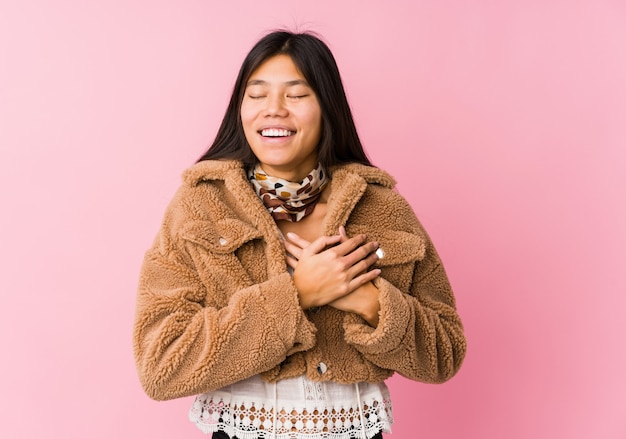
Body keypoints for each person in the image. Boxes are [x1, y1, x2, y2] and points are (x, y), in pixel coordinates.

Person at [133, 30, 466, 439]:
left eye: (296, 94)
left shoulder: (381, 208)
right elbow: (161, 365)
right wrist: (298, 295)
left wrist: (368, 300)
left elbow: (444, 354)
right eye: (256, 95)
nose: (274, 110)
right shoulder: (200, 205)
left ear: (327, 106)